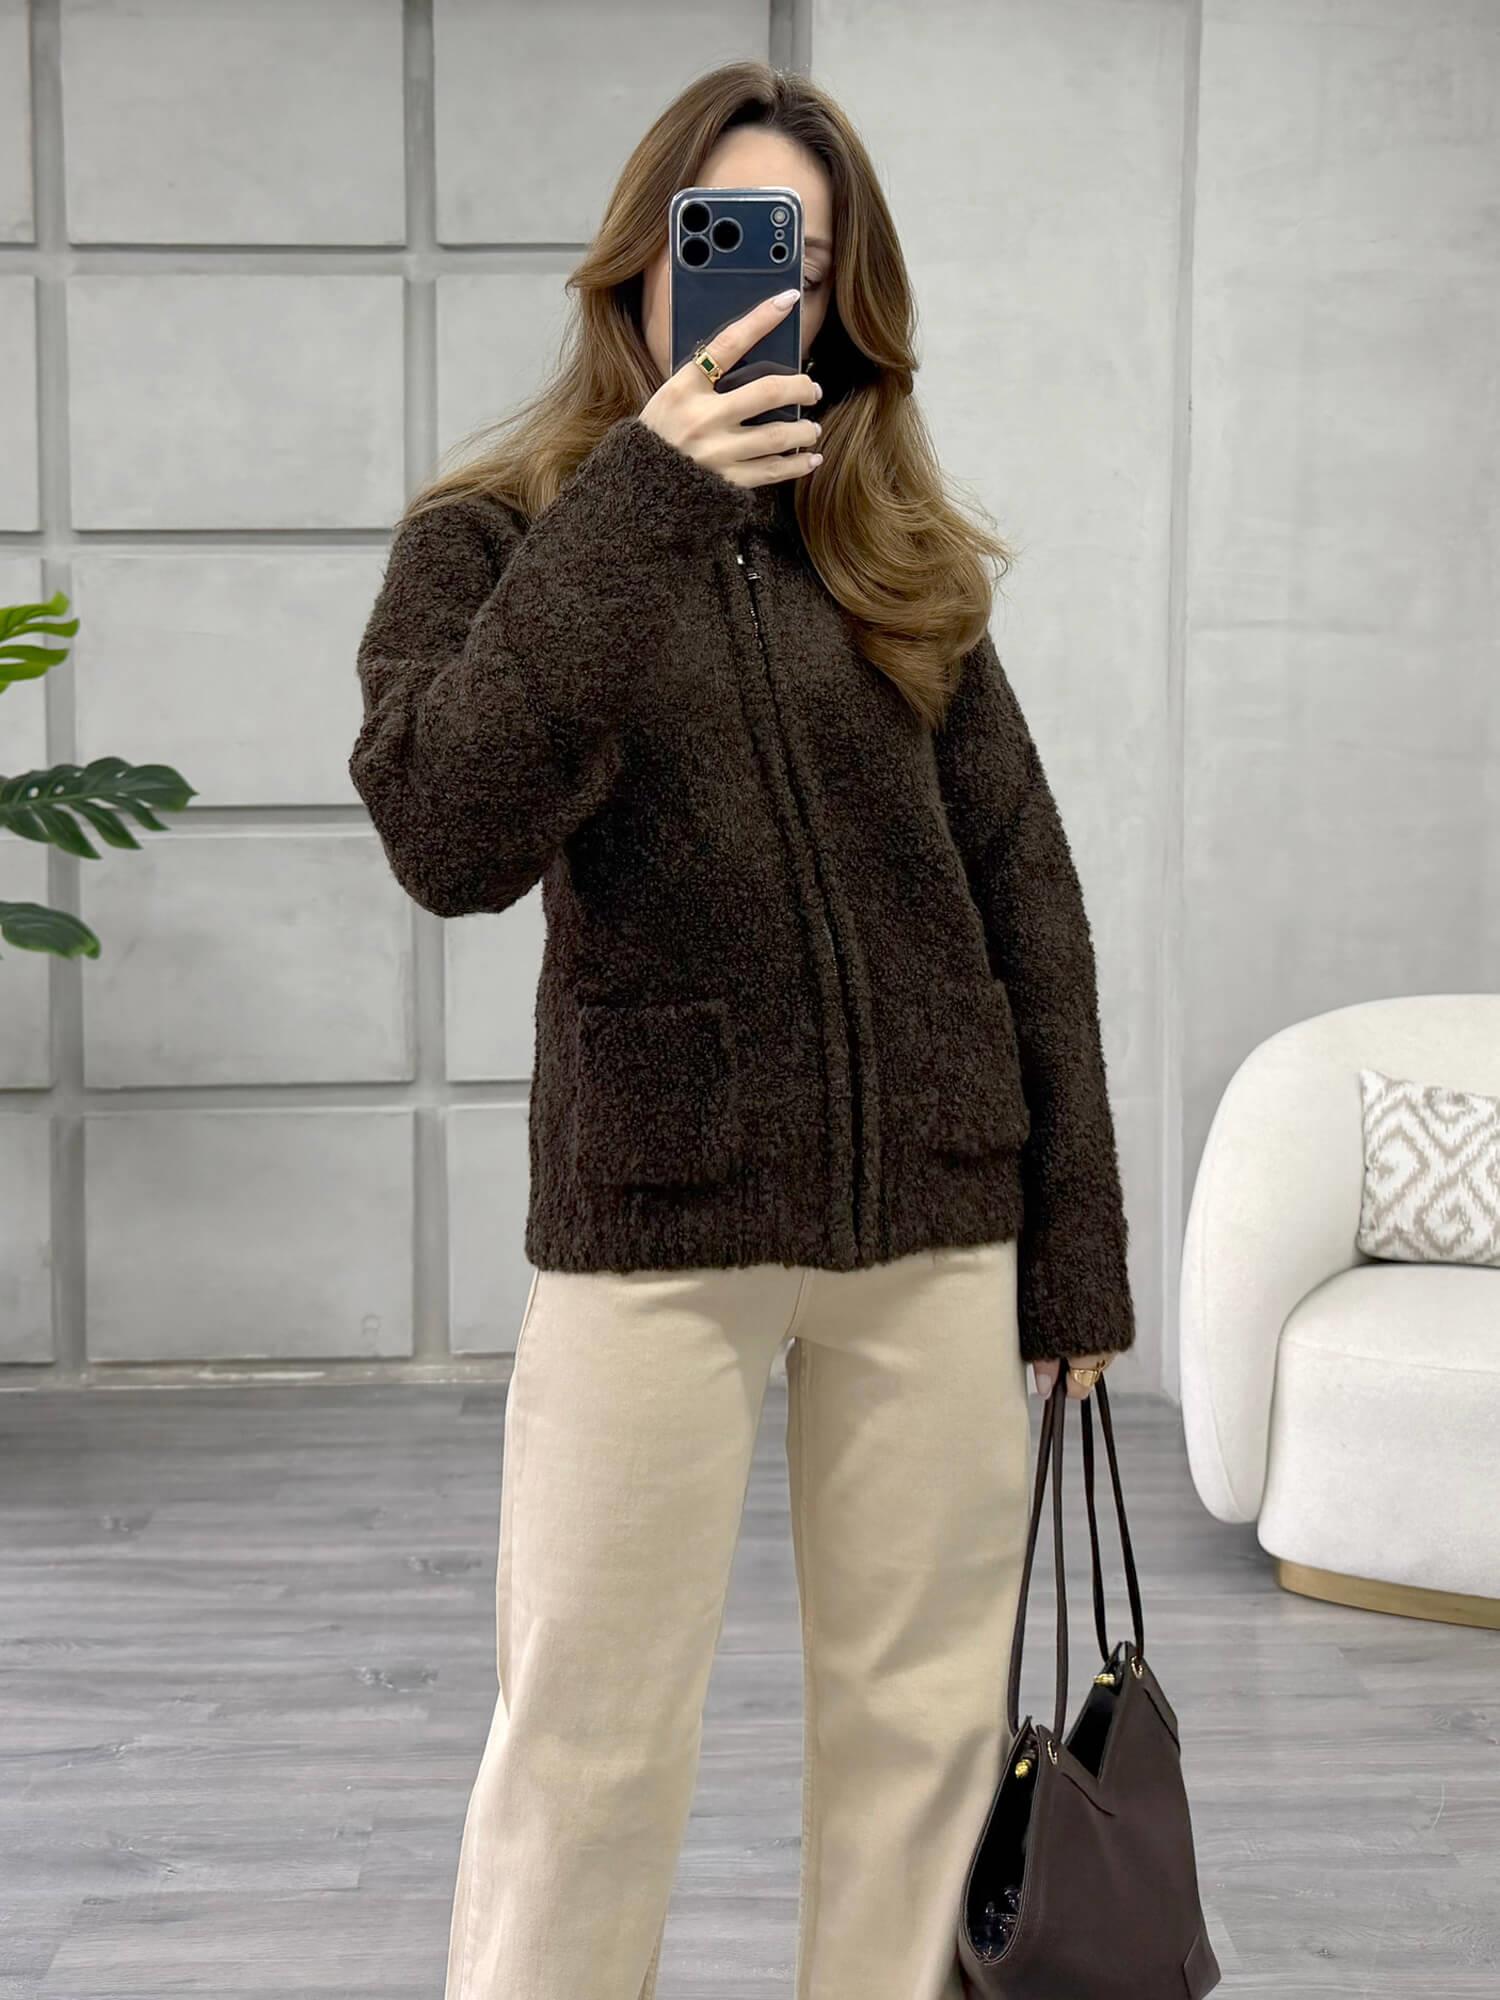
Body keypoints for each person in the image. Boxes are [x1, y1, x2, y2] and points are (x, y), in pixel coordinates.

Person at [350, 57, 1135, 2000]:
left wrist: (1078, 1251)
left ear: (848, 293)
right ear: (639, 267)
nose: (763, 289)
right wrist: (650, 494)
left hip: (938, 1219)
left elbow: (1027, 897)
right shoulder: (497, 535)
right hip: (660, 1220)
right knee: (590, 1744)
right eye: (728, 245)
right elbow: (446, 830)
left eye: (804, 252)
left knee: (923, 1745)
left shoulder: (894, 552)